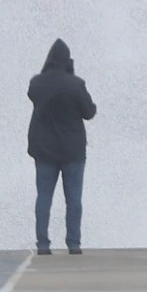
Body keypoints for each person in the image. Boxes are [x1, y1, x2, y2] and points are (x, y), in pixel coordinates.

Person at [26, 38, 96, 255]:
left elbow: (33, 96)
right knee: (73, 198)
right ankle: (73, 244)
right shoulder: (76, 84)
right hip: (72, 150)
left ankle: (43, 244)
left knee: (44, 197)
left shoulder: (37, 82)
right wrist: (71, 75)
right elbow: (89, 112)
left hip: (44, 150)